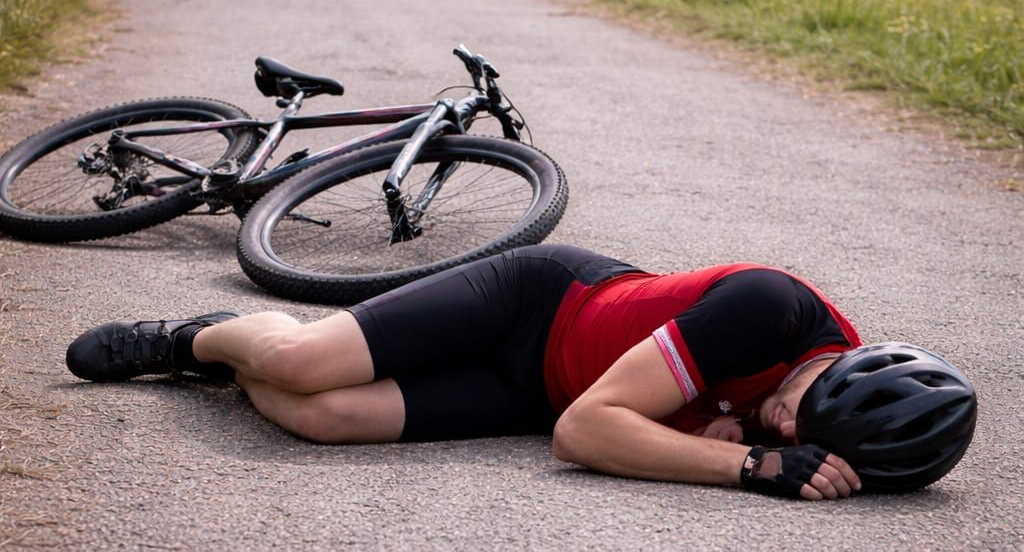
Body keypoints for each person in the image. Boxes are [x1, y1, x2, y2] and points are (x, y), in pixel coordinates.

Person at [65, 244, 976, 500]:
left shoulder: (840, 416)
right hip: (535, 304)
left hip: (536, 391)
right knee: (300, 360)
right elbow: (588, 434)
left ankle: (237, 360)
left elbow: (574, 418)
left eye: (806, 442)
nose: (785, 426)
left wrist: (690, 432)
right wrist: (748, 463)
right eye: (799, 410)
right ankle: (194, 340)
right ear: (840, 364)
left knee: (317, 417)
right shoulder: (767, 308)